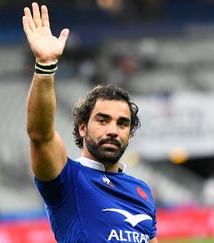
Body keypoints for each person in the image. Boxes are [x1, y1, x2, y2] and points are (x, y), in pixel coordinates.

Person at [22, 3, 158, 243]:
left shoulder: (142, 191)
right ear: (82, 127)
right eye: (103, 120)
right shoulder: (68, 180)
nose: (113, 130)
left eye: (122, 123)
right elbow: (40, 135)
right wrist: (45, 65)